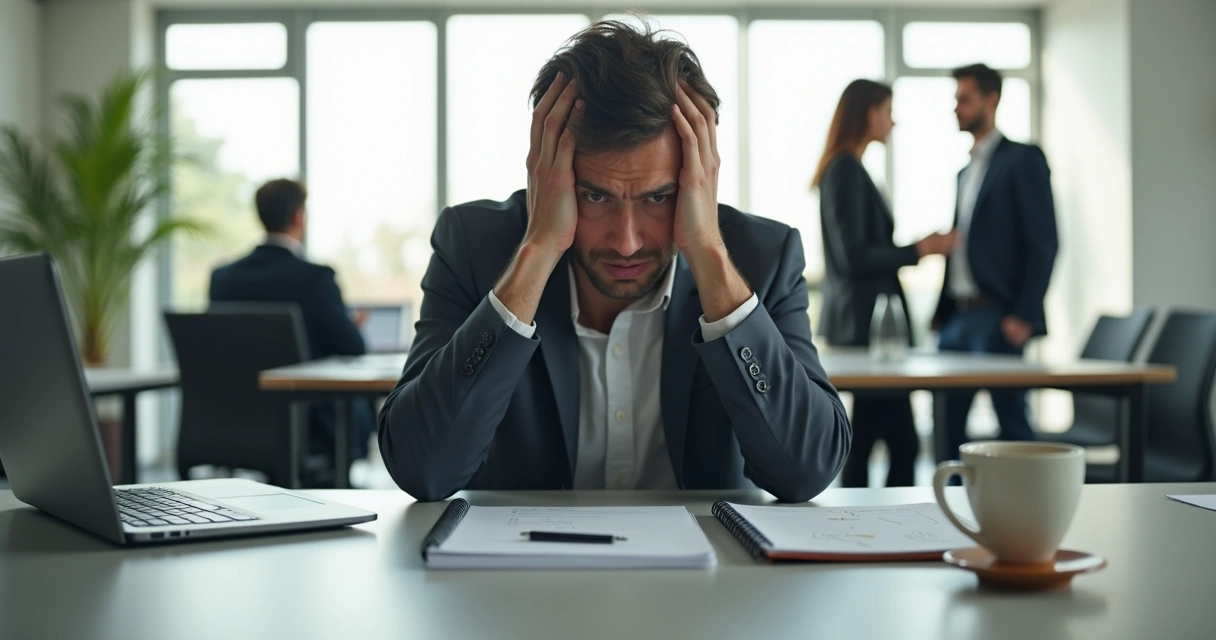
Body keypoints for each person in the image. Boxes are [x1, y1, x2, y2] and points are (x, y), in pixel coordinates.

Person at [378, 20, 851, 503]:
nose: (626, 242)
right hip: (523, 553)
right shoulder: (474, 248)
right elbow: (422, 468)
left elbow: (806, 469)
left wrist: (709, 253)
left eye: (658, 197)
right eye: (596, 196)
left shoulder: (762, 259)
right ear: (547, 174)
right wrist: (537, 250)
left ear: (700, 177)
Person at [813, 80, 955, 487]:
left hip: (865, 326)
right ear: (867, 113)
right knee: (899, 442)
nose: (892, 122)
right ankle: (880, 516)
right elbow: (854, 255)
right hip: (866, 328)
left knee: (872, 437)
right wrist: (919, 249)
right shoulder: (846, 170)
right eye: (887, 112)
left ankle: (863, 515)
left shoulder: (849, 168)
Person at [934, 64, 1058, 458]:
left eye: (965, 99)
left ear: (992, 99)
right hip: (957, 320)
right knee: (947, 430)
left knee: (1013, 426)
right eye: (956, 99)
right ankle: (946, 497)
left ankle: (1028, 499)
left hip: (1000, 316)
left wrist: (1024, 314)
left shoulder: (1022, 159)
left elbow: (1044, 243)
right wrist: (941, 311)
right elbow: (963, 247)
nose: (957, 108)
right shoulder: (963, 173)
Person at [210, 179, 375, 476]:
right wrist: (350, 326)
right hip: (309, 428)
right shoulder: (315, 279)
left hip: (230, 426)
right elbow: (353, 347)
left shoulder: (222, 279)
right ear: (299, 217)